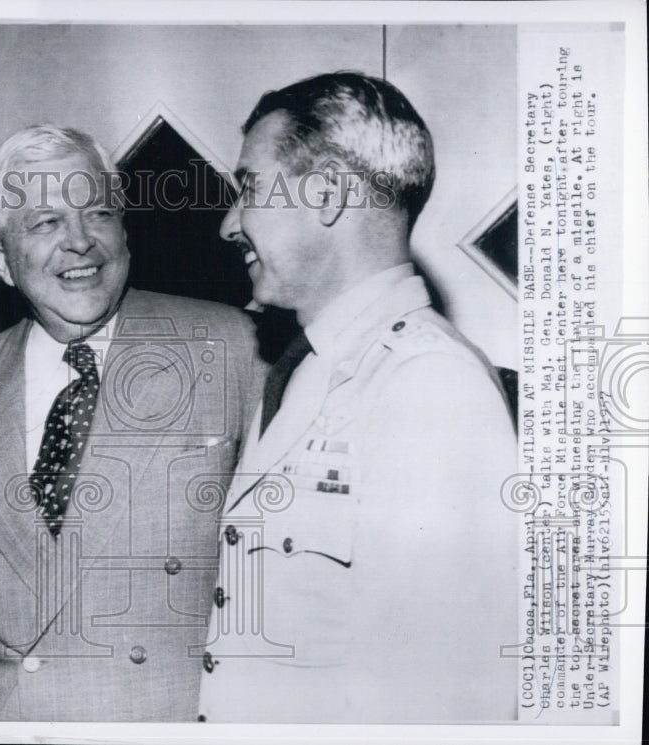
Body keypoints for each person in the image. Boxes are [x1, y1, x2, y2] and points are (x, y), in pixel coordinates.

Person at [0, 124, 264, 721]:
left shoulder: (231, 349)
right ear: (1, 258)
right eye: (45, 222)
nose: (80, 243)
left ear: (124, 231)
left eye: (98, 213)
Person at [196, 72, 518, 722]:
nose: (231, 222)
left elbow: (442, 704)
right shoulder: (304, 366)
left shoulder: (429, 384)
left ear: (329, 194)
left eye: (250, 186)